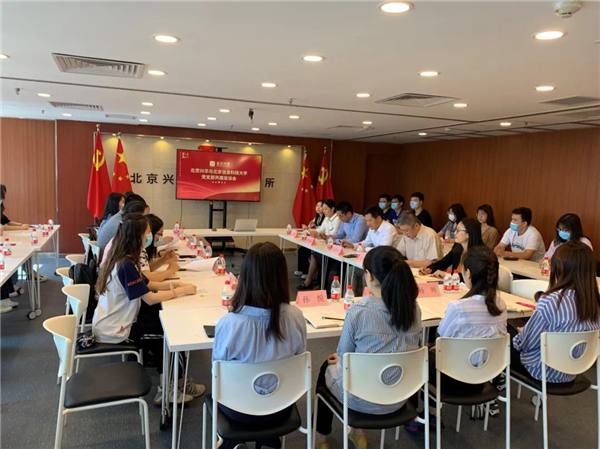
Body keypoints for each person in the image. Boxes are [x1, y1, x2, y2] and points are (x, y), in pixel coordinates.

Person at [315, 246, 422, 449]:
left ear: (369, 275)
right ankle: (358, 434)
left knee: (326, 366)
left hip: (361, 398)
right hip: (400, 395)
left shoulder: (359, 310)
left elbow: (343, 355)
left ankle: (321, 439)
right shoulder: (413, 308)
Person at [93, 213, 204, 404]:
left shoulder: (124, 257)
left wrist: (177, 285)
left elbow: (149, 284)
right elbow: (150, 298)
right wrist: (179, 291)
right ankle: (169, 390)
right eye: (148, 233)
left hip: (114, 321)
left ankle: (175, 383)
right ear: (138, 236)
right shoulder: (126, 264)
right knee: (170, 334)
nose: (149, 237)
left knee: (164, 323)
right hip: (116, 330)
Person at [213, 242, 307, 449]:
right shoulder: (296, 317)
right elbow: (299, 357)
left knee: (223, 391)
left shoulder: (229, 324)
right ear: (282, 277)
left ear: (245, 277)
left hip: (237, 409)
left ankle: (234, 443)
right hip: (281, 405)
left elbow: (217, 373)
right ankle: (268, 442)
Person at [407, 246, 507, 432]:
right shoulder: (501, 305)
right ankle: (432, 413)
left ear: (468, 274)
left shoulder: (459, 308)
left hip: (452, 377)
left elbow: (441, 338)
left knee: (420, 356)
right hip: (484, 376)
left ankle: (425, 414)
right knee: (437, 353)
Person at [512, 241, 600, 383]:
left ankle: (495, 389)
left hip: (542, 370)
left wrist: (522, 334)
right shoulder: (594, 300)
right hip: (574, 369)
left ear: (559, 268)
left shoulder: (551, 300)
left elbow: (526, 344)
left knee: (503, 340)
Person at [299, 200, 341, 290]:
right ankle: (313, 281)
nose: (324, 211)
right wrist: (311, 232)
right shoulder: (326, 218)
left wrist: (323, 236)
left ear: (332, 209)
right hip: (327, 244)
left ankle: (317, 283)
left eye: (326, 209)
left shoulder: (338, 219)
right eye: (323, 209)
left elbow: (334, 235)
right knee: (314, 253)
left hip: (336, 246)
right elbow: (320, 230)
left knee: (320, 256)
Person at [141, 214, 180, 282]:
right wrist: (170, 271)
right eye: (160, 234)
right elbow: (149, 279)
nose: (161, 237)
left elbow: (148, 268)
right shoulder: (138, 251)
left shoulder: (142, 250)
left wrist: (164, 259)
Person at [295, 200, 324, 277]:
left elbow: (320, 231)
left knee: (305, 251)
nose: (318, 208)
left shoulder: (326, 219)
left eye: (320, 206)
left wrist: (309, 229)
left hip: (321, 241)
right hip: (315, 239)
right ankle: (300, 269)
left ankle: (306, 272)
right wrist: (308, 227)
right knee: (301, 250)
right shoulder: (317, 218)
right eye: (317, 206)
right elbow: (311, 228)